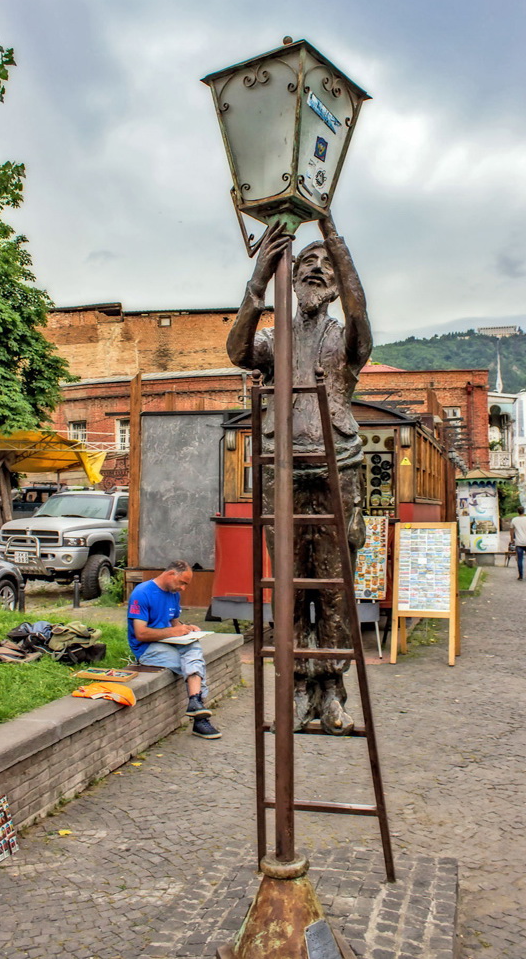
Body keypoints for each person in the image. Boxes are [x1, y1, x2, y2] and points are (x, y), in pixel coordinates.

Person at [226, 213, 372, 736]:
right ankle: (292, 687)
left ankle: (331, 690)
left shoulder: (347, 336)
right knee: (288, 585)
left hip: (338, 467)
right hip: (281, 468)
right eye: (306, 263)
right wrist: (259, 278)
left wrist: (334, 235)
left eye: (324, 266)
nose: (315, 270)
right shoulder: (276, 339)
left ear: (337, 283)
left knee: (333, 587)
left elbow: (361, 312)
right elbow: (238, 351)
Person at [127, 559, 222, 740]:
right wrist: (173, 631)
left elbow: (174, 623)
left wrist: (187, 628)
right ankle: (199, 719)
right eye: (182, 583)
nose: (183, 588)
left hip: (169, 641)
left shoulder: (173, 593)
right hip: (148, 648)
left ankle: (195, 702)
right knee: (192, 664)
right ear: (171, 575)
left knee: (194, 647)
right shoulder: (142, 593)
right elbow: (141, 634)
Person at [509, 507, 526, 580]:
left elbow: (511, 531)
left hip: (519, 542)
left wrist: (512, 539)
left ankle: (520, 575)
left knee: (520, 559)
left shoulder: (514, 520)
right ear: (524, 511)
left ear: (518, 511)